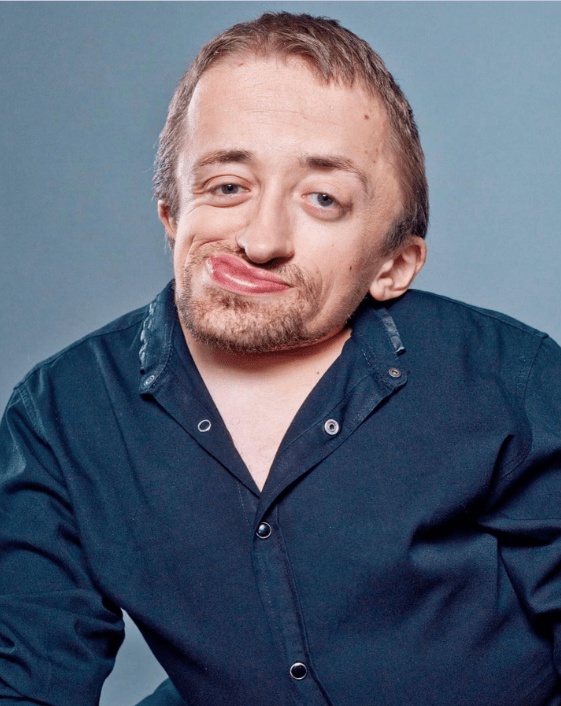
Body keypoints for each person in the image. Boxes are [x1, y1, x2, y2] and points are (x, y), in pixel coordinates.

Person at [1, 11, 560, 706]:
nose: (260, 241)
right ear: (172, 213)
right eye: (227, 186)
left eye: (323, 199)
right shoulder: (62, 414)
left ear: (392, 265)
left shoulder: (508, 381)